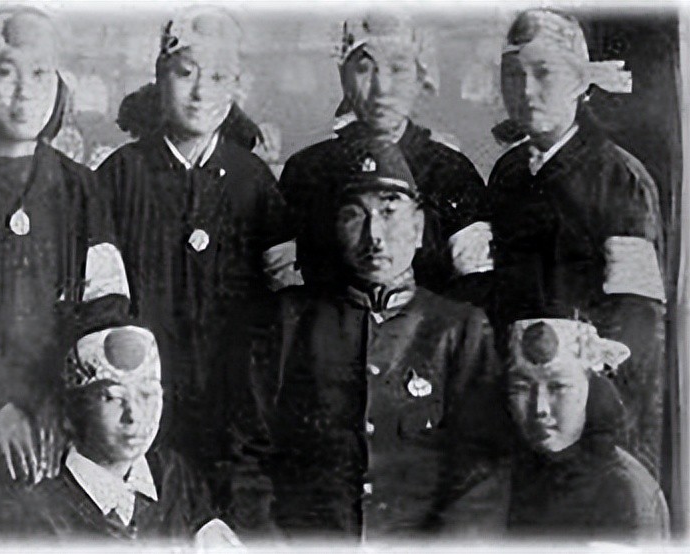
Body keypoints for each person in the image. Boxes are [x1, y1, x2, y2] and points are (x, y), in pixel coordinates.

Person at [0, 6, 129, 532]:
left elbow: (106, 303)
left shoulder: (81, 188)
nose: (25, 92)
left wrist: (64, 403)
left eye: (40, 73)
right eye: (5, 72)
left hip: (57, 428)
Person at [249, 140, 509, 543]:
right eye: (355, 215)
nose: (375, 237)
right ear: (335, 227)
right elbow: (245, 456)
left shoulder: (459, 329)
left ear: (418, 229)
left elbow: (484, 474)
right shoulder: (291, 323)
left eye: (390, 213)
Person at [95, 6, 294, 526]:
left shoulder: (253, 181)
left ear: (236, 85)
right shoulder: (120, 175)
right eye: (186, 74)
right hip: (144, 405)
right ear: (160, 77)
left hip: (235, 408)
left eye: (219, 78)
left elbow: (283, 306)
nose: (202, 93)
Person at [489, 9, 666, 477]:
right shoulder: (508, 174)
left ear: (579, 82)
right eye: (513, 76)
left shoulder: (620, 179)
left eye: (544, 73)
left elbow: (638, 316)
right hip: (520, 400)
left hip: (593, 407)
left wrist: (593, 381)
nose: (526, 91)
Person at [279, 12, 492, 305]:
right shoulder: (307, 170)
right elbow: (282, 280)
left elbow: (475, 286)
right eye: (364, 69)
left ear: (420, 77)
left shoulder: (450, 172)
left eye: (398, 69)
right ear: (344, 78)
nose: (382, 88)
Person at [0, 323, 244, 548]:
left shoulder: (173, 476)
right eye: (112, 398)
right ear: (76, 410)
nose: (133, 415)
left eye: (147, 394)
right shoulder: (39, 512)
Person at [505, 317, 670, 540]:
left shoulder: (624, 492)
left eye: (558, 387)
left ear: (590, 390)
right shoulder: (498, 487)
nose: (539, 408)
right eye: (521, 388)